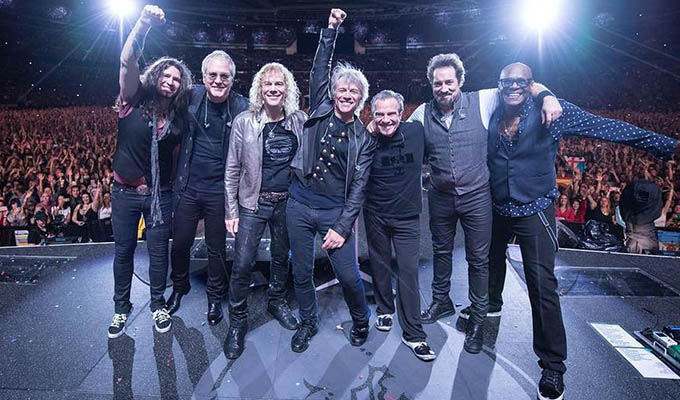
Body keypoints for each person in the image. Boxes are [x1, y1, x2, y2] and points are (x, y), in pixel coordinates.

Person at [482, 62, 679, 400]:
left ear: (530, 85)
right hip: (496, 206)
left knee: (542, 286)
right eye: (506, 82)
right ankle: (489, 313)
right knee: (488, 267)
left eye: (520, 82)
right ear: (499, 85)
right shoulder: (491, 107)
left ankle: (552, 368)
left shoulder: (553, 112)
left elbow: (608, 128)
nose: (513, 87)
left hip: (534, 210)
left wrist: (666, 145)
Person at [407, 53, 563, 353]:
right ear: (431, 84)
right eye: (437, 83)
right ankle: (441, 301)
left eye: (449, 82)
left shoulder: (483, 100)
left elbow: (519, 84)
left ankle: (478, 320)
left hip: (477, 196)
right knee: (441, 251)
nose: (443, 88)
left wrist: (547, 95)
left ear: (460, 81)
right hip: (441, 196)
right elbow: (399, 132)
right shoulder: (421, 113)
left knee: (479, 261)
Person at [286, 8, 374, 353]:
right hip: (298, 204)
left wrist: (341, 226)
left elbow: (359, 189)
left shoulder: (363, 138)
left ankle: (361, 319)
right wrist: (331, 30)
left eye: (354, 91)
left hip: (334, 213)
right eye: (342, 88)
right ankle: (308, 322)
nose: (347, 94)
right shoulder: (320, 108)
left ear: (361, 99)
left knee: (349, 275)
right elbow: (319, 68)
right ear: (333, 92)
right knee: (301, 271)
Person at [108, 5, 193, 339]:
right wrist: (142, 25)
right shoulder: (133, 98)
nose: (170, 82)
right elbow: (126, 61)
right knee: (123, 252)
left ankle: (158, 303)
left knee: (159, 254)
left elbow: (176, 157)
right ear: (155, 76)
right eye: (165, 76)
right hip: (125, 193)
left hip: (161, 195)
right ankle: (121, 307)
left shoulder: (179, 118)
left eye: (176, 79)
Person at [223, 62, 306, 359]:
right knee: (243, 263)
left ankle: (276, 300)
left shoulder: (299, 119)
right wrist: (231, 210)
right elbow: (232, 168)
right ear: (259, 88)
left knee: (282, 257)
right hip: (253, 203)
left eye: (279, 83)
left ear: (287, 89)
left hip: (288, 202)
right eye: (267, 84)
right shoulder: (244, 121)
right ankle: (237, 321)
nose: (273, 88)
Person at [165, 45, 249, 325]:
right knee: (180, 244)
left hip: (219, 190)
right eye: (212, 75)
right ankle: (179, 287)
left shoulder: (241, 106)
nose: (218, 80)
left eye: (224, 76)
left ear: (232, 79)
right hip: (188, 185)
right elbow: (159, 100)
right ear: (203, 76)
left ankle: (215, 297)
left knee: (216, 248)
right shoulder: (190, 96)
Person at [363, 90, 435, 361]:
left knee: (408, 271)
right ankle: (384, 309)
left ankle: (413, 334)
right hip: (375, 214)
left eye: (391, 113)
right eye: (379, 114)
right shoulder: (367, 138)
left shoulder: (416, 132)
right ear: (372, 115)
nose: (386, 119)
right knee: (379, 264)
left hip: (407, 217)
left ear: (402, 113)